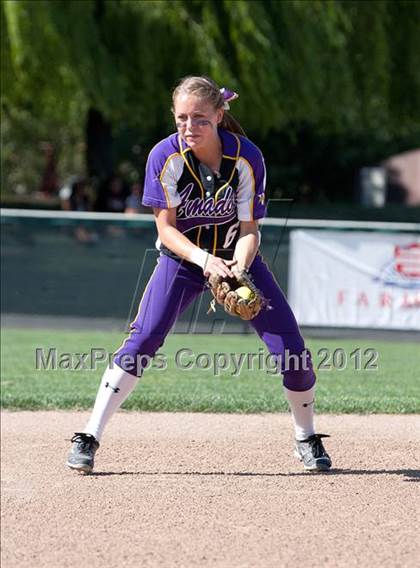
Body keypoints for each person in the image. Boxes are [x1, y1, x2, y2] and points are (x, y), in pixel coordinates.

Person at [66, 76, 332, 474]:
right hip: (184, 259)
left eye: (200, 118)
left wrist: (239, 269)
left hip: (237, 258)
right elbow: (165, 230)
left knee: (291, 348)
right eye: (181, 119)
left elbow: (249, 231)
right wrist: (205, 262)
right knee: (144, 339)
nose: (190, 127)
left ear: (220, 116)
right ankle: (89, 435)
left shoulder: (246, 157)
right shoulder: (165, 156)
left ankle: (306, 437)